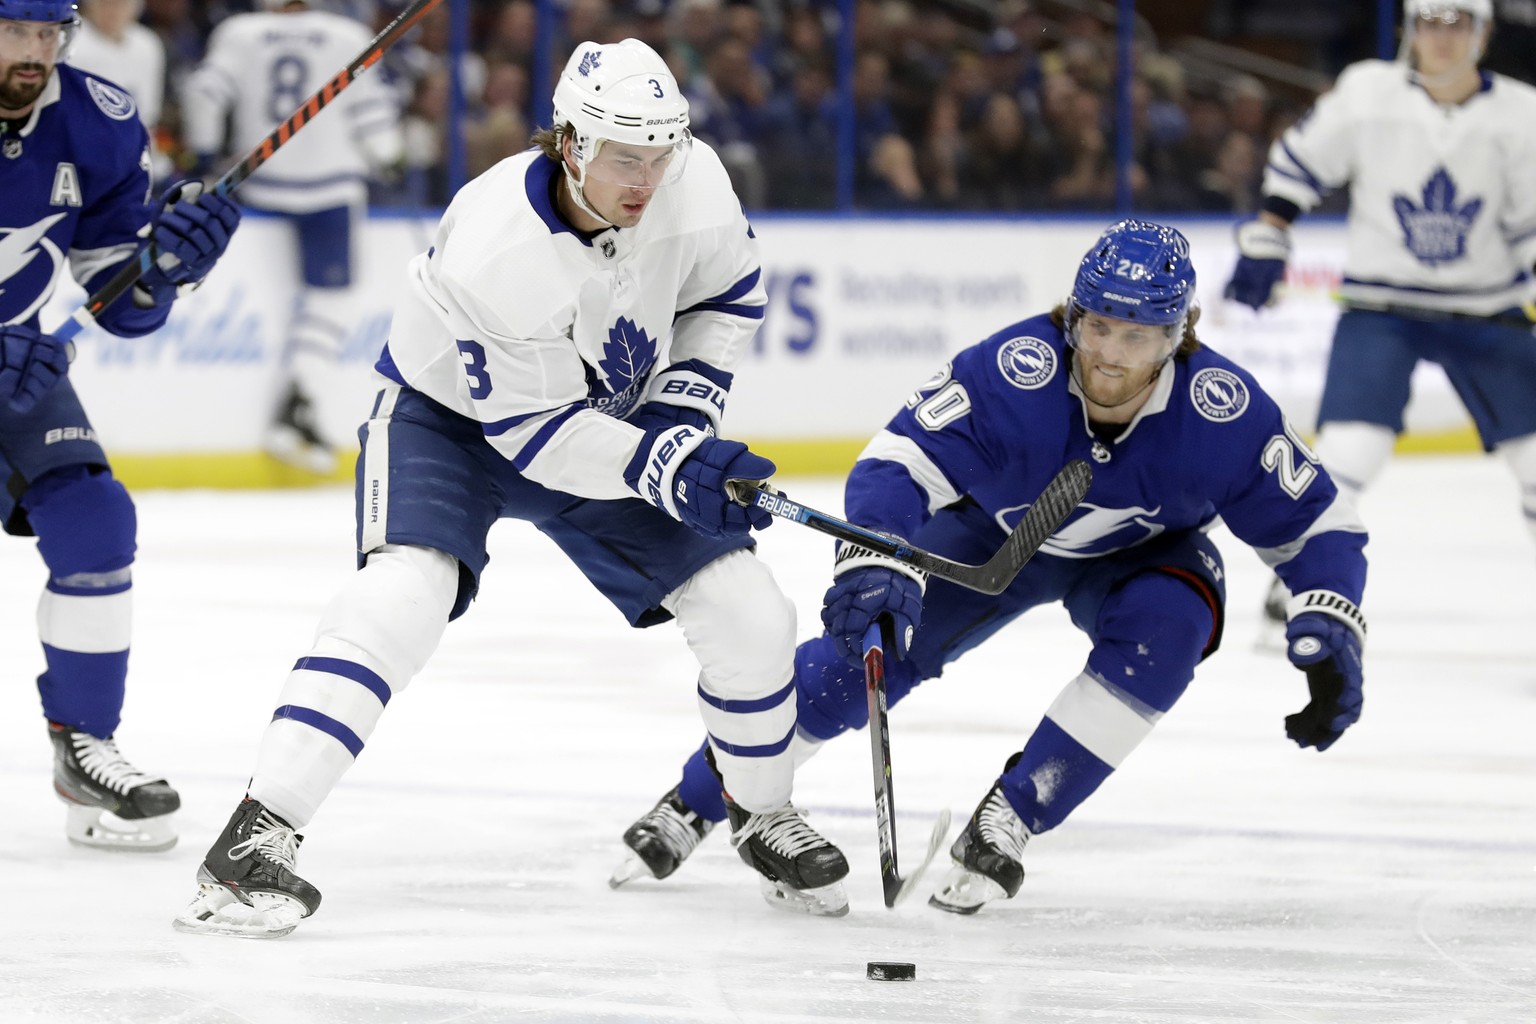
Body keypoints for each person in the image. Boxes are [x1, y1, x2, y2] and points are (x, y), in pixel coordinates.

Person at [172, 37, 850, 939]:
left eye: (660, 152)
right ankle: (255, 840)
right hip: (450, 422)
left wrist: (682, 419)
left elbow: (724, 301)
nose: (645, 177)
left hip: (610, 417)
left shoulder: (697, 181)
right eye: (622, 156)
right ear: (569, 143)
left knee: (751, 612)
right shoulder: (496, 242)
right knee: (401, 597)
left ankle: (762, 813)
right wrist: (664, 464)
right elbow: (534, 436)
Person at [609, 220, 1371, 915]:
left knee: (1169, 632)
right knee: (857, 665)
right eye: (1097, 325)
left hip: (1145, 556)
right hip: (991, 537)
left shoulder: (1223, 411)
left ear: (1181, 334)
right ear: (1073, 314)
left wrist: (1332, 612)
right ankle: (706, 798)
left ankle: (1014, 813)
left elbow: (1321, 524)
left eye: (1137, 337)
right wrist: (878, 561)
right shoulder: (1016, 372)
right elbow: (897, 462)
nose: (1109, 353)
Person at [0, 0, 240, 850]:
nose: (35, 53)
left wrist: (164, 267)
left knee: (97, 523)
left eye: (47, 33)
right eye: (13, 31)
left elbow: (118, 300)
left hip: (15, 370)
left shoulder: (97, 119)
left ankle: (84, 753)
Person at [1224, 0, 1536, 624]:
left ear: (1482, 33)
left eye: (1456, 23)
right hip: (1381, 306)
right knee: (1348, 449)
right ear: (1410, 30)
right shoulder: (1369, 94)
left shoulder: (1522, 113)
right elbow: (1300, 165)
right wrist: (1270, 233)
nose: (1440, 38)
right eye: (1428, 22)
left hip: (1487, 309)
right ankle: (1299, 583)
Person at [182, 0, 405, 475]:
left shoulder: (240, 31)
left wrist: (202, 155)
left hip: (260, 184)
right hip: (330, 188)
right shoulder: (345, 34)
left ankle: (297, 406)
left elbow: (204, 91)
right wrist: (391, 158)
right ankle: (301, 399)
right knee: (333, 299)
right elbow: (375, 121)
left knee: (247, 292)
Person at [66, 0, 170, 182]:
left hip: (134, 153)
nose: (113, 11)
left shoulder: (148, 44)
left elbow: (148, 115)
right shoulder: (69, 42)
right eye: (106, 4)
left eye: (121, 4)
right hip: (80, 155)